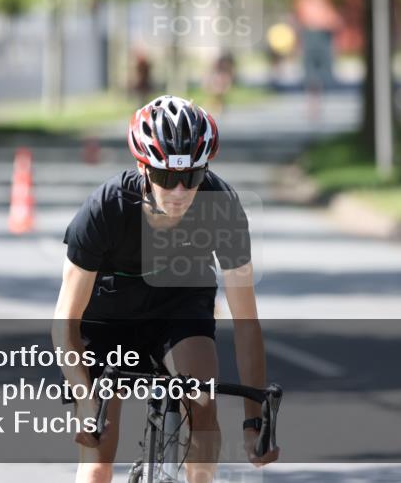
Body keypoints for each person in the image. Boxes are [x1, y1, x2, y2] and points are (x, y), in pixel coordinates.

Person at [53, 95, 279, 483]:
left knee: (202, 399)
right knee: (95, 465)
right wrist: (85, 398)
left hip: (179, 304)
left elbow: (246, 322)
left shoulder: (222, 207)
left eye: (190, 177)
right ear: (143, 168)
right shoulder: (105, 209)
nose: (178, 191)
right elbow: (64, 321)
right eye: (165, 177)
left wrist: (253, 420)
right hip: (109, 315)